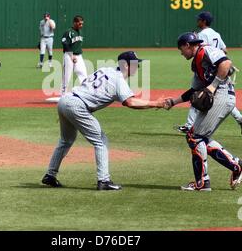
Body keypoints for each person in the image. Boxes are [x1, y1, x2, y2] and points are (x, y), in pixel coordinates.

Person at [41, 51, 170, 190]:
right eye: (135, 63)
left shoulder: (105, 69)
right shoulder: (119, 79)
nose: (137, 66)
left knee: (65, 141)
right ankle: (104, 181)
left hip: (66, 100)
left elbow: (85, 85)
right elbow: (130, 102)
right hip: (77, 105)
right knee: (101, 141)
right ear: (125, 65)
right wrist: (156, 103)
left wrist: (66, 108)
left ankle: (50, 175)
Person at [165, 32, 242, 191]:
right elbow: (194, 90)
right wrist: (173, 102)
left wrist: (212, 85)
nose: (181, 53)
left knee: (194, 137)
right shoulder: (196, 63)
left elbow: (226, 63)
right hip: (219, 96)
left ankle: (202, 182)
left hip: (222, 96)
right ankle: (236, 165)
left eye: (181, 49)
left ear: (188, 45)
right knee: (200, 137)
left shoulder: (206, 51)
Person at [176, 11, 242, 136]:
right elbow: (224, 50)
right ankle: (240, 118)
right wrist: (220, 61)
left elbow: (201, 50)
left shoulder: (201, 35)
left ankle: (189, 125)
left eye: (199, 19)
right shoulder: (216, 34)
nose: (197, 21)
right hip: (217, 68)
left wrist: (220, 64)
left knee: (199, 96)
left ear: (203, 21)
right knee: (222, 98)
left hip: (205, 67)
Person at [60, 15, 88, 95]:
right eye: (79, 24)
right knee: (67, 76)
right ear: (74, 23)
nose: (81, 25)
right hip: (69, 56)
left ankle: (85, 93)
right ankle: (63, 95)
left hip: (79, 56)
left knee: (83, 74)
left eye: (82, 24)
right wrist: (71, 56)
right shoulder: (68, 32)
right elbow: (65, 44)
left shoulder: (80, 32)